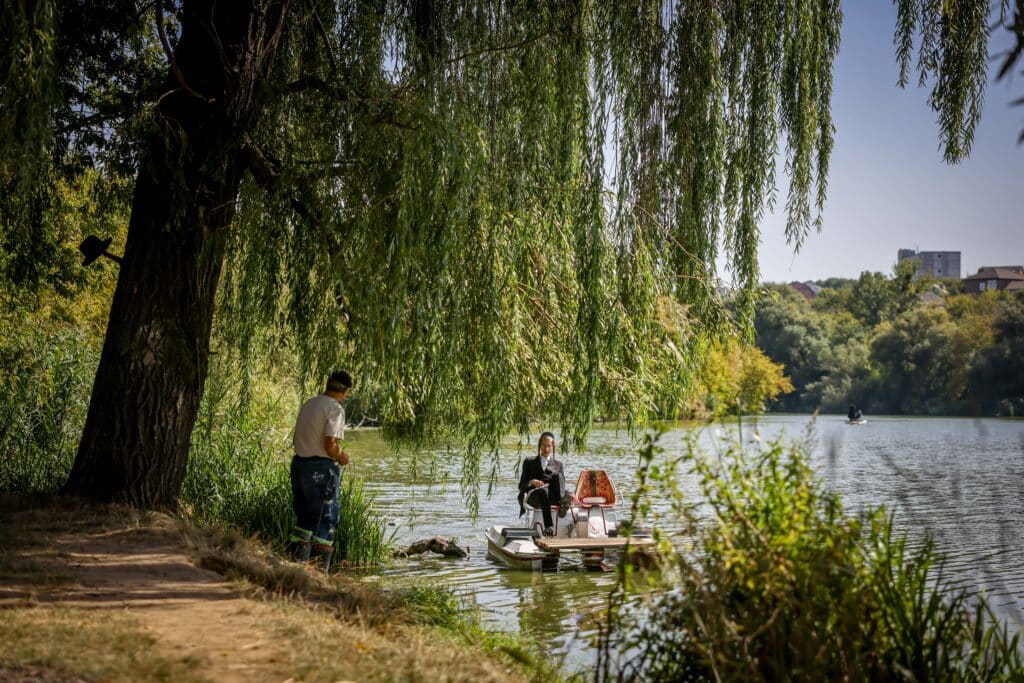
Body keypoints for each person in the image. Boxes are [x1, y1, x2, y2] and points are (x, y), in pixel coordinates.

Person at [288, 370, 352, 571]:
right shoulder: (335, 408)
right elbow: (330, 444)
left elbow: (295, 439)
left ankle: (296, 567)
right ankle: (318, 574)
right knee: (326, 518)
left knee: (304, 518)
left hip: (299, 465)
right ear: (344, 392)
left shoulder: (309, 404)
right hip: (321, 469)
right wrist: (341, 457)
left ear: (328, 385)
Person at [518, 432, 572, 536]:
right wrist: (531, 481)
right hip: (534, 496)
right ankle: (549, 527)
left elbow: (561, 484)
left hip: (552, 496)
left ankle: (562, 502)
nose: (546, 449)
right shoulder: (529, 462)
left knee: (558, 477)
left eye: (549, 446)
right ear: (539, 445)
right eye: (543, 445)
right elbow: (521, 486)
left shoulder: (559, 464)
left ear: (553, 446)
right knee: (543, 491)